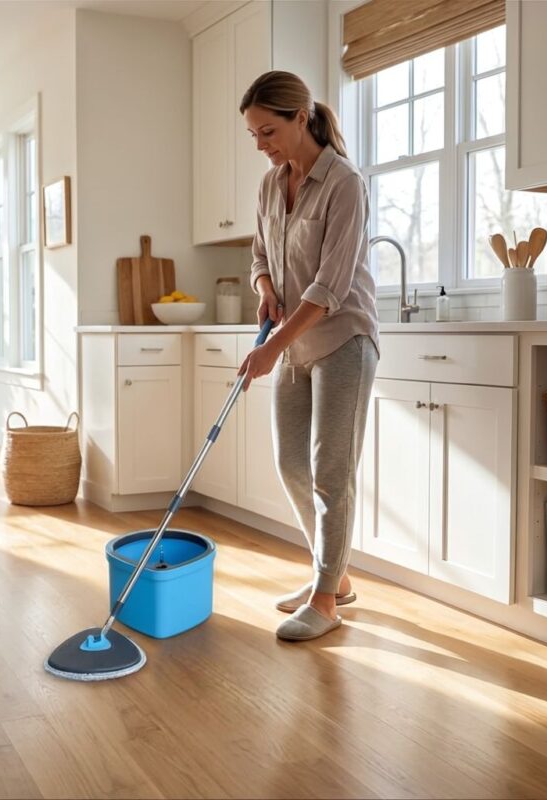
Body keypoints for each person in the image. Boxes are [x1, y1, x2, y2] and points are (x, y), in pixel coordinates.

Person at [237, 71, 379, 642]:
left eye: (267, 130)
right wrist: (264, 286)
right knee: (290, 462)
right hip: (291, 340)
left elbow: (330, 286)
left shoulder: (345, 183)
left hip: (343, 338)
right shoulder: (272, 185)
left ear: (301, 118)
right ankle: (335, 574)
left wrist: (272, 345)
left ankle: (325, 598)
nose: (261, 144)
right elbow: (257, 253)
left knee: (330, 469)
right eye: (253, 134)